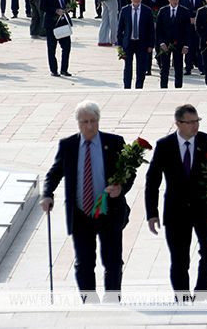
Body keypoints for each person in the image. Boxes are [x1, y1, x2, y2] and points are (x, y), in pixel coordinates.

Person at [41, 100, 131, 303]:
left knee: (113, 260)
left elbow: (129, 173)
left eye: (93, 121)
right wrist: (47, 194)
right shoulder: (68, 146)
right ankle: (89, 302)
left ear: (98, 120)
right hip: (81, 213)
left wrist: (120, 188)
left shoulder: (115, 143)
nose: (89, 126)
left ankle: (112, 299)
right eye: (84, 122)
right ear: (78, 123)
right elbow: (54, 173)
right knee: (84, 262)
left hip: (109, 212)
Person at [145, 104, 207, 300]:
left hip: (204, 209)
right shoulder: (165, 145)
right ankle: (181, 297)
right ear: (178, 123)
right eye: (190, 122)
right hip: (176, 211)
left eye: (197, 121)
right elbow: (152, 181)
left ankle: (201, 292)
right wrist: (152, 213)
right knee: (180, 258)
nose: (194, 126)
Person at [117, 0, 155, 89]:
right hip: (128, 43)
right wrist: (120, 45)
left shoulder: (147, 11)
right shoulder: (125, 10)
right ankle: (127, 87)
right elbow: (120, 29)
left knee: (141, 67)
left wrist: (151, 45)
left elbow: (151, 29)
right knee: (128, 66)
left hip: (142, 43)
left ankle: (139, 86)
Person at [156, 0, 191, 88]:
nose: (175, 1)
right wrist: (161, 42)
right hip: (165, 44)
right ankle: (163, 87)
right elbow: (159, 29)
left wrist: (186, 45)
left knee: (178, 66)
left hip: (179, 43)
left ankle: (178, 87)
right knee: (164, 67)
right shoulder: (163, 11)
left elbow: (188, 30)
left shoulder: (184, 11)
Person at [41, 0, 73, 77]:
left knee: (66, 47)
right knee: (52, 47)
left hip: (63, 22)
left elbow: (69, 2)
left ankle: (64, 69)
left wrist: (69, 8)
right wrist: (55, 10)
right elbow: (43, 7)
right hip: (51, 23)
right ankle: (54, 70)